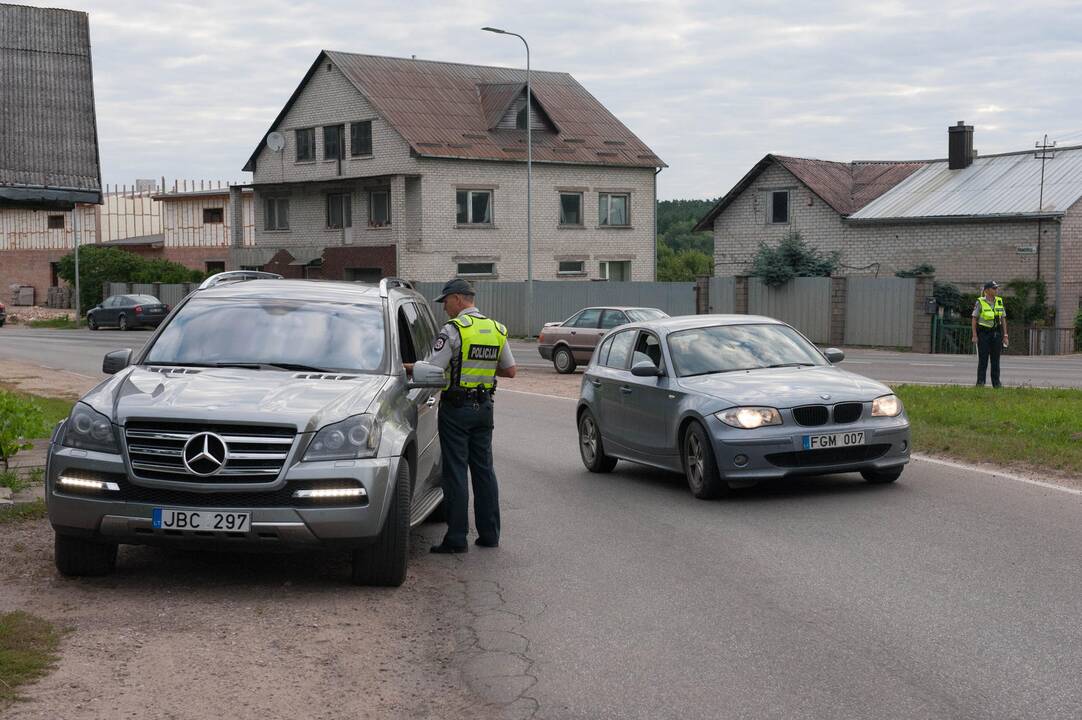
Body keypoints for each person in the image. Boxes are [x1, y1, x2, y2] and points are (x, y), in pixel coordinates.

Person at [424, 278, 516, 554]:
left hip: (456, 409)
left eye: (446, 302)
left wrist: (407, 367)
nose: (445, 309)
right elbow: (510, 370)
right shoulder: (496, 329)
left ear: (459, 299)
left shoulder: (453, 330)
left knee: (455, 472)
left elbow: (433, 370)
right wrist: (482, 369)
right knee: (484, 471)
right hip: (485, 407)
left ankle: (456, 538)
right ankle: (489, 535)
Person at [971, 280, 1008, 388]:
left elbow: (1003, 318)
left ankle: (996, 383)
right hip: (984, 334)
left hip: (996, 333)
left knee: (996, 360)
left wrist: (1005, 335)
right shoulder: (980, 302)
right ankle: (980, 383)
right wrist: (974, 335)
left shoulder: (999, 301)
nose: (996, 290)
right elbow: (974, 318)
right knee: (983, 359)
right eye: (994, 288)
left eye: (996, 288)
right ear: (987, 290)